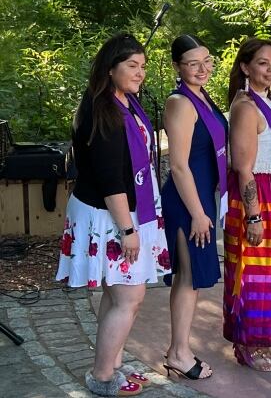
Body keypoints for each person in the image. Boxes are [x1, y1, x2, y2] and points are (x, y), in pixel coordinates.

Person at [56, 33, 170, 396]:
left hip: (120, 212)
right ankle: (102, 376)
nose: (140, 74)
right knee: (130, 298)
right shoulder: (102, 110)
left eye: (143, 67)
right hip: (110, 215)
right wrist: (127, 230)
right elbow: (110, 179)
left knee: (116, 294)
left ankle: (111, 365)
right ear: (110, 69)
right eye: (132, 67)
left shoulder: (123, 102)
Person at [224, 38, 271, 371]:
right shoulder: (245, 107)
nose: (270, 70)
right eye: (262, 63)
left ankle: (263, 337)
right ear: (245, 67)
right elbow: (244, 168)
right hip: (258, 196)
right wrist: (253, 217)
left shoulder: (268, 102)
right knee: (255, 273)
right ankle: (247, 343)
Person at [160, 35, 225, 380]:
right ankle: (178, 353)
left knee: (191, 279)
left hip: (201, 199)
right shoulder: (180, 102)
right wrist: (199, 213)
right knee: (187, 278)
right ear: (177, 67)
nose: (203, 69)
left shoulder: (201, 96)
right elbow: (180, 165)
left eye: (207, 60)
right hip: (188, 203)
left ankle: (179, 348)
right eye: (193, 63)